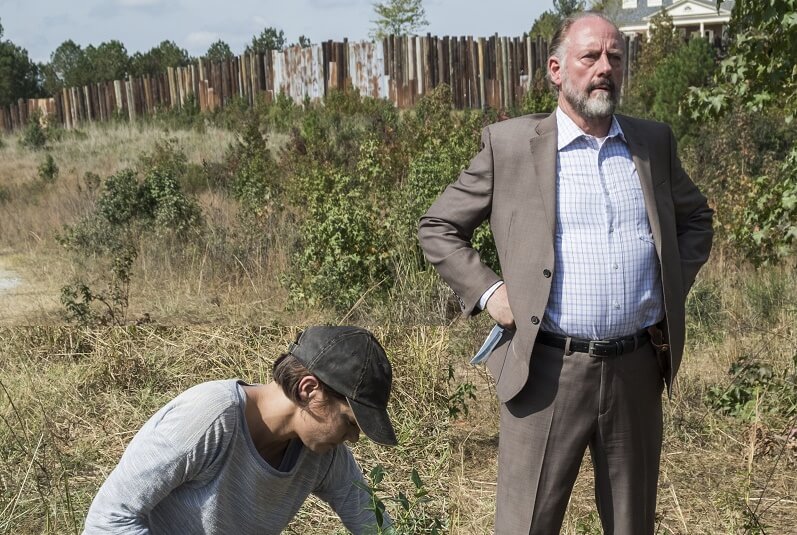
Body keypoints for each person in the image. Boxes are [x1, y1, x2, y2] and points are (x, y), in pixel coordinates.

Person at [418, 12, 713, 535]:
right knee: (525, 524)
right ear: (556, 70)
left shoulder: (652, 144)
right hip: (546, 370)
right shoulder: (510, 145)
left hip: (636, 369)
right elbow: (438, 227)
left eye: (615, 58)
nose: (605, 68)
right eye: (590, 57)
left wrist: (669, 287)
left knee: (632, 525)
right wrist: (490, 292)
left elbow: (696, 220)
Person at [83, 326, 398, 534]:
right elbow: (109, 519)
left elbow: (376, 526)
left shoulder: (324, 457)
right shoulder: (211, 416)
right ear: (308, 390)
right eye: (350, 422)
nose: (354, 438)